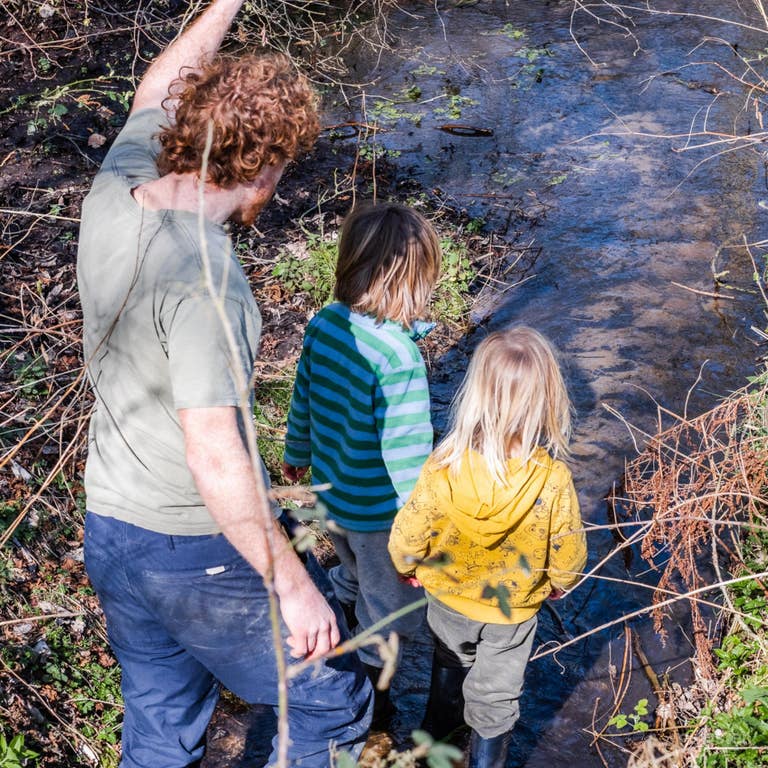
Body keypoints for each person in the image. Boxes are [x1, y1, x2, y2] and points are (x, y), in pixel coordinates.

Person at [76, 2, 372, 766]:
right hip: (192, 548)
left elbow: (158, 87)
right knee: (329, 702)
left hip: (110, 526)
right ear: (264, 168)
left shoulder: (118, 189)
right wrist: (295, 588)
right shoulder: (208, 286)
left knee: (160, 718)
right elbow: (214, 455)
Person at [388, 326, 588, 768]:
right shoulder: (552, 479)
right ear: (546, 401)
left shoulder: (443, 464)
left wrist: (407, 565)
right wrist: (559, 582)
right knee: (496, 694)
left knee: (448, 661)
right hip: (512, 611)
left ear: (476, 394)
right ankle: (483, 761)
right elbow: (569, 548)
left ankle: (429, 747)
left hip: (448, 596)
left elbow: (409, 529)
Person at [282, 202, 442, 728]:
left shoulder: (326, 325)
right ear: (409, 281)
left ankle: (343, 613)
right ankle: (374, 698)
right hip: (379, 514)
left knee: (351, 566)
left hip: (333, 495)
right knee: (392, 608)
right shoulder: (399, 361)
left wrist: (296, 453)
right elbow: (407, 458)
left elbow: (304, 395)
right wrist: (427, 528)